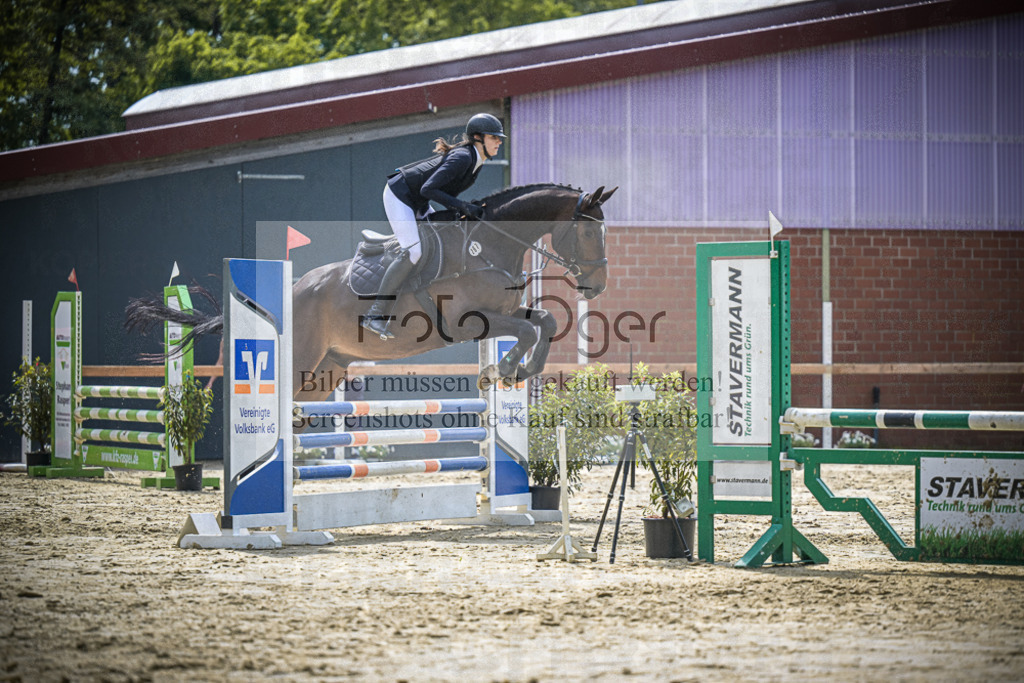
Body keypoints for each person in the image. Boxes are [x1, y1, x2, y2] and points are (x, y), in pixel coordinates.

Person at [362, 112, 506, 339]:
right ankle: (375, 314)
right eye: (494, 137)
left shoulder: (475, 162)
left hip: (417, 200)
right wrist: (462, 206)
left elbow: (439, 194)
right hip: (400, 195)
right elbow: (428, 189)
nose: (499, 141)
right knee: (414, 251)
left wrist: (462, 211)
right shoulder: (463, 158)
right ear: (478, 138)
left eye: (499, 138)